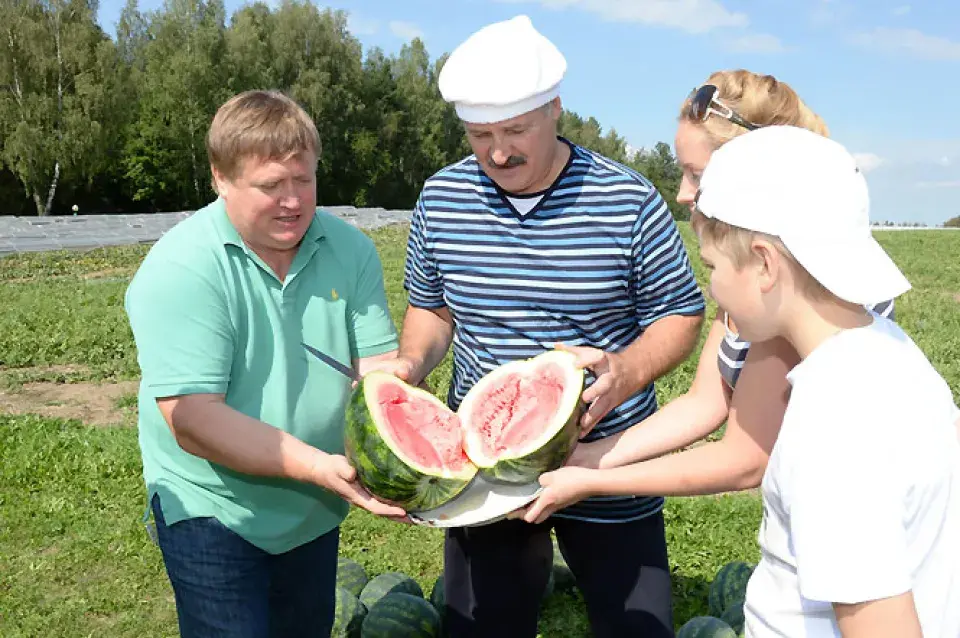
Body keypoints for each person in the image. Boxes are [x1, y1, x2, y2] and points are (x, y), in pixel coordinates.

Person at [535, 124, 960, 636]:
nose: (712, 289)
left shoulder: (836, 423)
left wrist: (592, 479)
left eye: (711, 266)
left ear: (763, 263)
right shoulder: (889, 353)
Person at [375, 14, 706, 638]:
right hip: (483, 475)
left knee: (636, 627)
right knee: (484, 627)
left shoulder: (628, 198)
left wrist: (627, 369)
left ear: (555, 108)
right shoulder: (441, 197)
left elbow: (681, 314)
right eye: (479, 134)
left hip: (607, 456)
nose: (498, 151)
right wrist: (411, 363)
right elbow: (432, 308)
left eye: (515, 129)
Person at [517, 70, 902, 524]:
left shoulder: (791, 291)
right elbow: (706, 401)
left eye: (695, 175)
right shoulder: (750, 274)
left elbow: (744, 459)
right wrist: (588, 458)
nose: (681, 193)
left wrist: (591, 481)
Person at [124, 90, 406, 638]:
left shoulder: (351, 251)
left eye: (303, 180)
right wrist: (318, 466)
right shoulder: (183, 266)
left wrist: (422, 441)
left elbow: (378, 371)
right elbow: (193, 420)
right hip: (213, 508)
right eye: (271, 185)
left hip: (314, 509)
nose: (293, 201)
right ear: (220, 179)